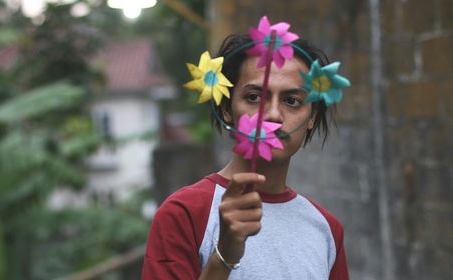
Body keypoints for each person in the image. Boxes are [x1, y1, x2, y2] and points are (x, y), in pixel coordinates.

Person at [141, 32, 349, 280]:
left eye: (292, 101)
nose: (272, 115)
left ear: (311, 117)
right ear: (227, 109)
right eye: (254, 97)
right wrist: (224, 255)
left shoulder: (326, 229)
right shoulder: (183, 214)